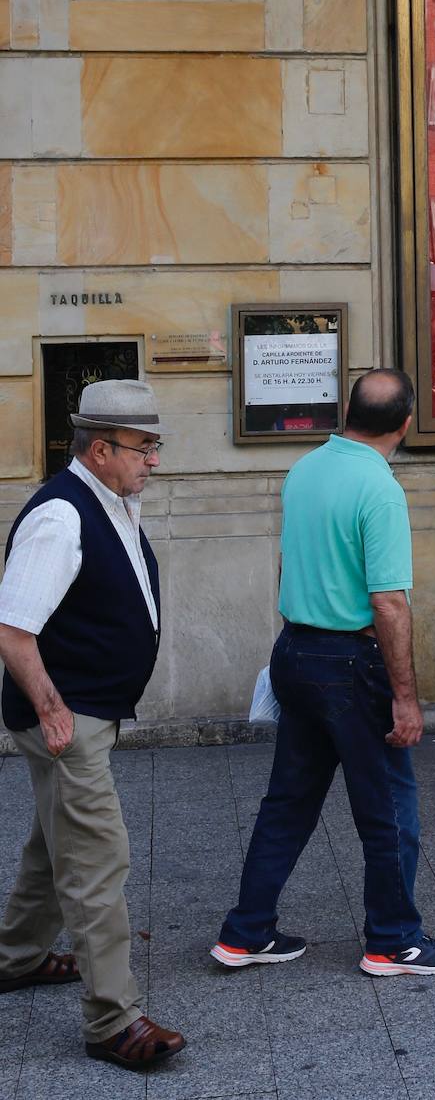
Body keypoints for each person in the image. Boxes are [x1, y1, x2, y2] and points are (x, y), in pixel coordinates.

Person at [211, 369, 435, 977]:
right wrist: (405, 698)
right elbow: (389, 603)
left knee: (289, 801)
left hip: (296, 649)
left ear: (346, 412)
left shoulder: (306, 470)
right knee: (388, 807)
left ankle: (246, 932)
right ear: (405, 423)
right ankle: (394, 941)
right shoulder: (379, 489)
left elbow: (285, 565)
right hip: (351, 662)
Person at [0, 380, 185, 1070]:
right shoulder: (61, 517)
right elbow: (14, 631)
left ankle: (15, 959)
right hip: (66, 718)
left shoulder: (110, 502)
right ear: (101, 449)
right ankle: (114, 1021)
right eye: (144, 447)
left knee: (55, 847)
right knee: (97, 861)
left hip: (83, 712)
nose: (154, 461)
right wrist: (53, 713)